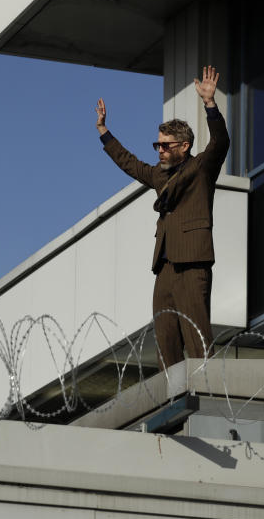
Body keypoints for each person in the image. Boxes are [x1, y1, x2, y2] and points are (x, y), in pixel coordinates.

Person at [95, 65, 230, 367]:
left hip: (193, 262)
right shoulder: (159, 175)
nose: (160, 151)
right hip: (165, 266)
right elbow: (130, 164)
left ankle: (205, 392)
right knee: (166, 337)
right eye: (158, 145)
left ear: (184, 146)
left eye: (166, 146)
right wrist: (104, 132)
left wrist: (210, 105)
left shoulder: (201, 168)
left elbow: (220, 143)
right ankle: (172, 398)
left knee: (196, 338)